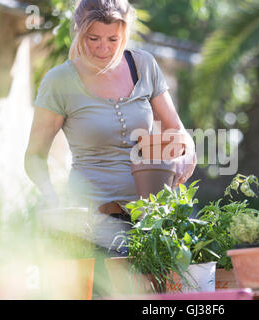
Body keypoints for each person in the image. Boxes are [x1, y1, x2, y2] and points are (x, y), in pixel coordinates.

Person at [24, 0, 197, 297]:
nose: (103, 47)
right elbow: (34, 157)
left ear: (125, 34)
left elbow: (177, 131)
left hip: (150, 222)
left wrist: (186, 156)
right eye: (93, 39)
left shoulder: (143, 66)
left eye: (113, 39)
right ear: (79, 33)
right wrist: (53, 198)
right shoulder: (59, 82)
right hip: (91, 223)